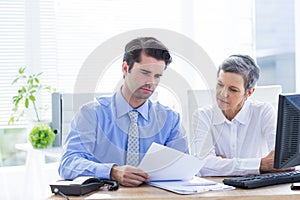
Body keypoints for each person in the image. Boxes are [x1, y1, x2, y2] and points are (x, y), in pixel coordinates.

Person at [58, 37, 189, 186]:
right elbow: (68, 163)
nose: (151, 82)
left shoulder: (170, 120)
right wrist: (112, 172)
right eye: (145, 72)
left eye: (157, 76)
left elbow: (183, 168)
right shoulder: (91, 114)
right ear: (125, 68)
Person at [191, 54, 293, 176]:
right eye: (220, 85)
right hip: (217, 191)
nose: (223, 94)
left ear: (249, 93)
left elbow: (284, 161)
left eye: (233, 90)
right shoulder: (202, 116)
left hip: (258, 191)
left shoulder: (264, 112)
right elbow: (203, 166)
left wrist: (222, 165)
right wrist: (260, 165)